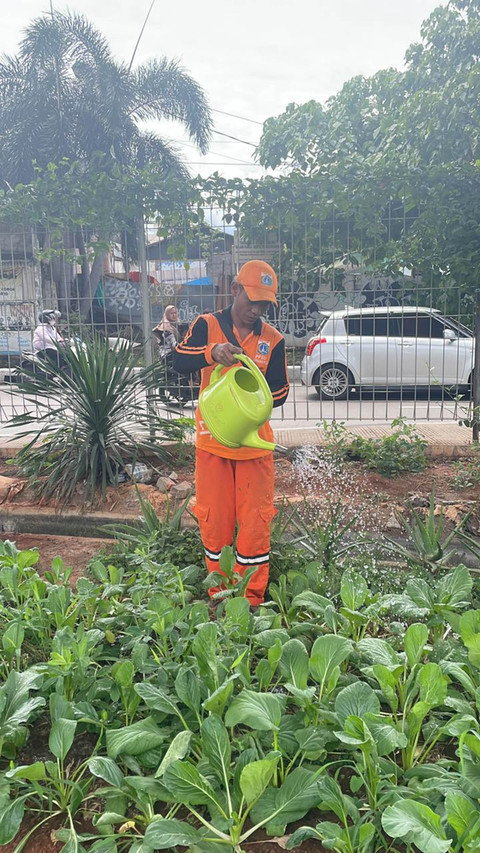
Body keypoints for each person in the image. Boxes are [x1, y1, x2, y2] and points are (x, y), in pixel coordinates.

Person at [173, 260, 289, 607]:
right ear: (235, 289)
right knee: (215, 521)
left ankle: (250, 600)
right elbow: (178, 361)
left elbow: (280, 391)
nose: (256, 310)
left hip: (254, 447)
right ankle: (220, 595)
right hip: (213, 442)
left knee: (255, 525)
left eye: (264, 304)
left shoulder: (273, 339)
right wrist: (212, 353)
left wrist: (258, 394)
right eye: (251, 300)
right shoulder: (207, 325)